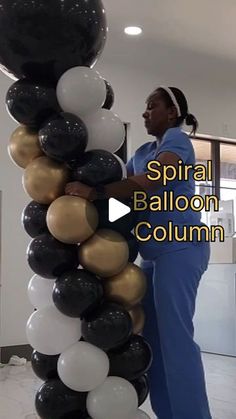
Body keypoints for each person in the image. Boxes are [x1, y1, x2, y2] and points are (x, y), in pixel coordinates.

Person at [65, 86, 212, 419]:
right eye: (145, 107)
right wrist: (87, 218)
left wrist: (95, 191)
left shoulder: (177, 141)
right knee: (154, 343)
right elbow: (127, 201)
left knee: (176, 339)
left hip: (182, 247)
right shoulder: (143, 151)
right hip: (152, 254)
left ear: (172, 113)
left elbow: (153, 181)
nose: (145, 112)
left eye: (152, 106)